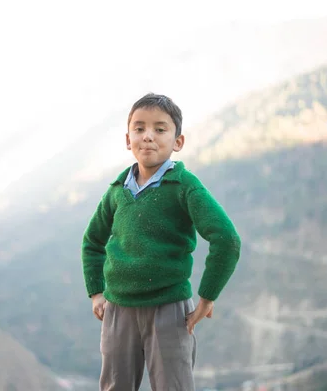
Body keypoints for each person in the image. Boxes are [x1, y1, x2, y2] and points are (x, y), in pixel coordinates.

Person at [81, 92, 241, 391]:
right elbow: (92, 241)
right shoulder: (117, 191)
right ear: (128, 139)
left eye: (160, 129)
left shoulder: (184, 186)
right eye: (139, 128)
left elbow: (227, 239)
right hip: (118, 310)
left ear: (178, 142)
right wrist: (96, 293)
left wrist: (207, 298)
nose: (148, 137)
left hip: (170, 311)